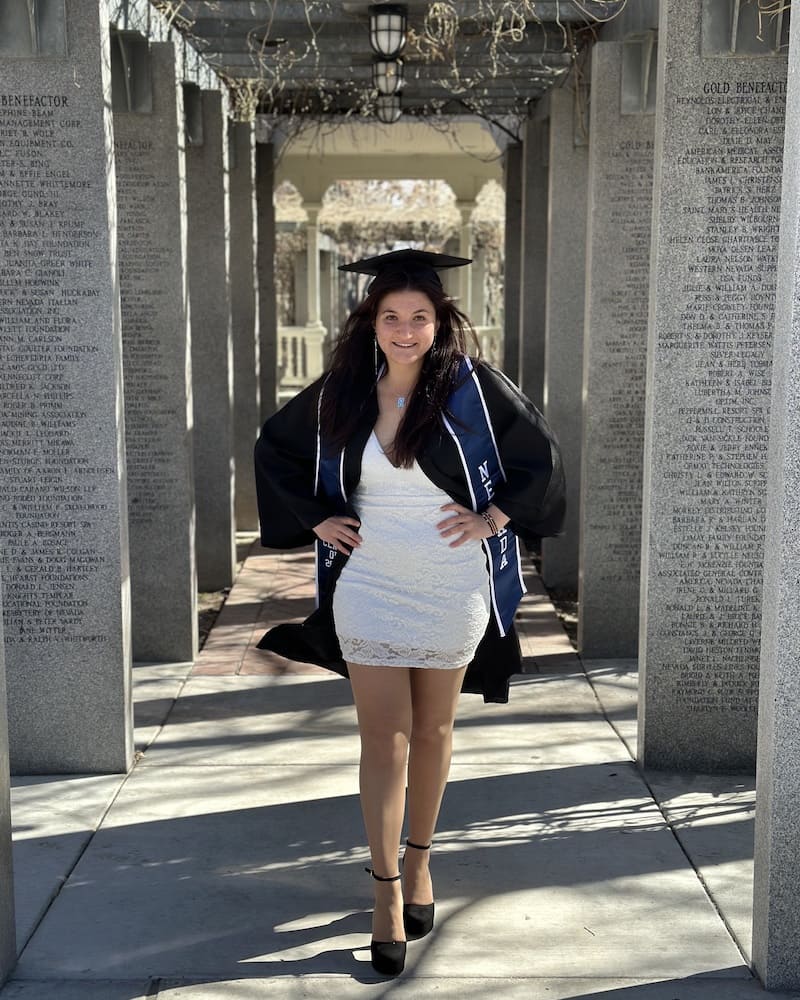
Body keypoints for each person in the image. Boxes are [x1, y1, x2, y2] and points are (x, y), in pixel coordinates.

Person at [254, 249, 565, 977]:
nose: (404, 329)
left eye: (418, 317)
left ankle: (420, 862)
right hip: (371, 581)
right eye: (391, 317)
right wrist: (317, 518)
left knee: (433, 730)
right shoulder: (344, 393)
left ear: (439, 322)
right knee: (384, 741)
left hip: (452, 581)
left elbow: (541, 458)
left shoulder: (473, 390)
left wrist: (495, 518)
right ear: (371, 322)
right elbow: (276, 447)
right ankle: (387, 891)